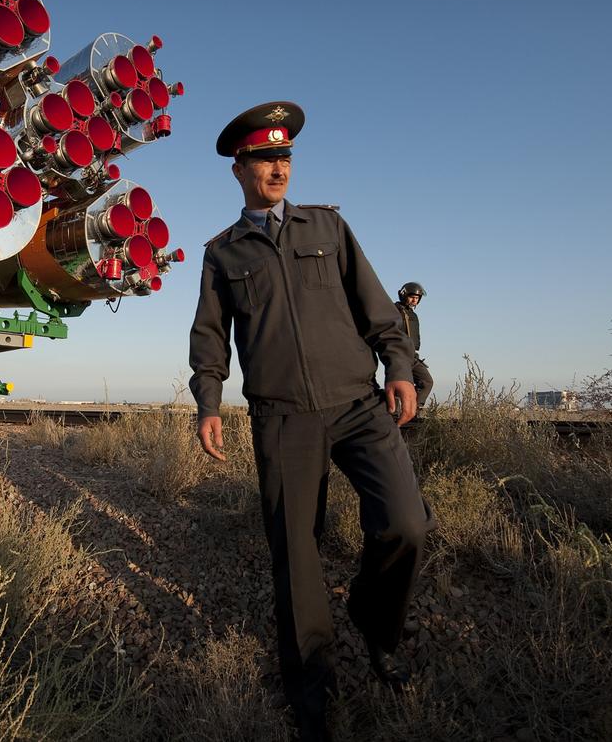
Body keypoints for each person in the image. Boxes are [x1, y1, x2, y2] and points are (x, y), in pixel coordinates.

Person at [188, 101, 434, 742]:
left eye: (286, 156)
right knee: (297, 556)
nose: (279, 166)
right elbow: (210, 338)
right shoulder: (223, 254)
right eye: (266, 157)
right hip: (283, 418)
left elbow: (379, 309)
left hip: (357, 404)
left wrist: (399, 368)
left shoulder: (328, 226)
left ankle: (378, 629)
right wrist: (209, 403)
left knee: (406, 523)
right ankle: (313, 693)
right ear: (239, 169)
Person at [396, 282, 434, 407]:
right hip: (399, 354)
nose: (414, 300)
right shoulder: (394, 310)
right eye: (412, 297)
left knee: (426, 382)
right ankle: (392, 414)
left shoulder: (413, 315)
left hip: (412, 355)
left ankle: (414, 411)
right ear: (403, 295)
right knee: (400, 384)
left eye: (417, 298)